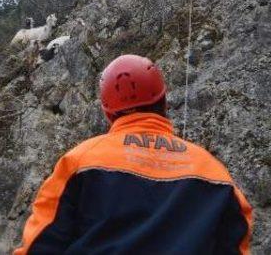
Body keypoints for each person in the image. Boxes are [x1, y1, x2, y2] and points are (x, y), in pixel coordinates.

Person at [14, 54, 253, 254]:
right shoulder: (214, 172)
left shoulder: (80, 161)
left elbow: (38, 246)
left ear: (108, 112)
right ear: (163, 102)